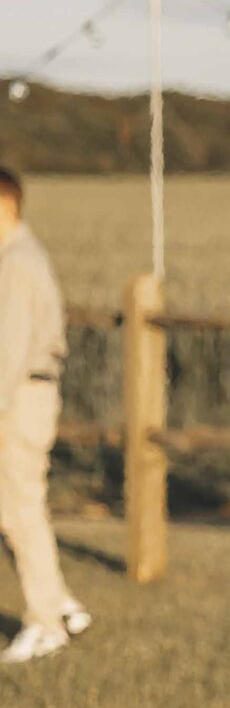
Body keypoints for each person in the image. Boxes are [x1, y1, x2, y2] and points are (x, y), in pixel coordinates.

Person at [0, 167, 89, 667]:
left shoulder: (14, 262)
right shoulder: (22, 256)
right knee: (19, 506)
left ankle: (43, 623)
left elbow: (7, 351)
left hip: (18, 398)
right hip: (28, 395)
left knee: (18, 512)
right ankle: (60, 604)